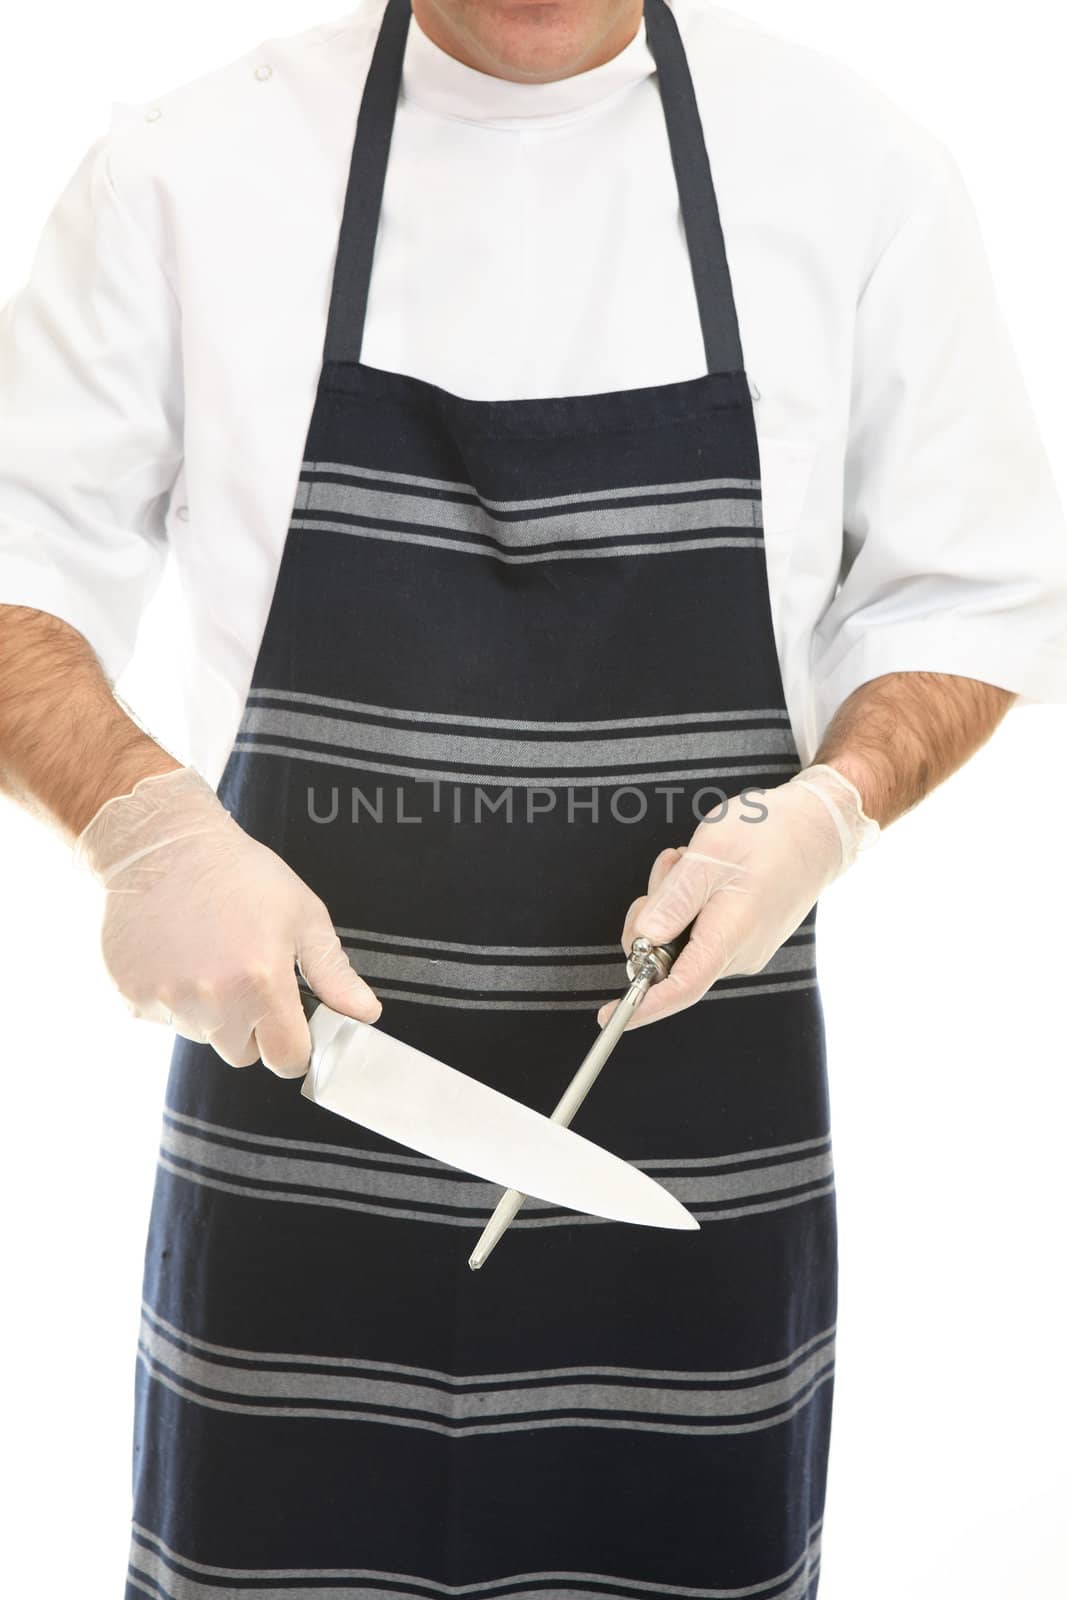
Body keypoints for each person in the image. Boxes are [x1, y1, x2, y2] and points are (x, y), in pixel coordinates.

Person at [1, 0, 1065, 1594]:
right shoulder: (186, 169)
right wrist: (139, 821)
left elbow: (971, 593)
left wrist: (830, 809)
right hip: (299, 1113)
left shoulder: (858, 174)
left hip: (694, 1149)